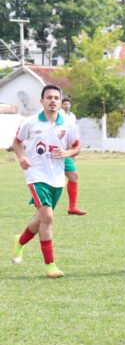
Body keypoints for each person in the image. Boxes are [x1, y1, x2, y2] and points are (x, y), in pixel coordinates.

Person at [12, 84, 81, 278]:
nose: (53, 101)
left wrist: (66, 153)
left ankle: (20, 241)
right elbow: (17, 142)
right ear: (41, 101)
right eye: (49, 97)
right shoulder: (30, 122)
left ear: (61, 102)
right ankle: (50, 265)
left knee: (40, 219)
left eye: (56, 98)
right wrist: (22, 158)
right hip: (35, 175)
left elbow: (77, 147)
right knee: (48, 217)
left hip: (57, 178)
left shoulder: (68, 124)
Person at [60, 97, 86, 215]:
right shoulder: (56, 114)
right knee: (48, 180)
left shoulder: (72, 117)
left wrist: (73, 151)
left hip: (66, 151)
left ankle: (72, 207)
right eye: (64, 104)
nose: (66, 105)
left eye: (68, 104)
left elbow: (74, 133)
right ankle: (39, 209)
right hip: (51, 151)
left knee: (74, 176)